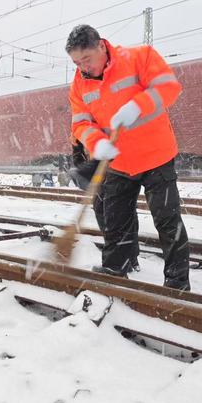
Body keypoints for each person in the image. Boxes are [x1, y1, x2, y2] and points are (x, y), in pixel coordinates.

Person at [66, 24, 190, 290]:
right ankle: (115, 269)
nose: (83, 67)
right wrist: (96, 142)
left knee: (167, 220)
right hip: (119, 162)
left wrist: (138, 105)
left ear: (101, 46)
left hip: (156, 156)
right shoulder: (79, 83)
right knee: (115, 220)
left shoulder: (139, 57)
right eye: (76, 62)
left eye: (86, 59)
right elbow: (80, 122)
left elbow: (169, 87)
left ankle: (177, 282)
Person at [69, 136, 140, 272]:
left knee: (123, 216)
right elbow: (79, 153)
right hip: (100, 175)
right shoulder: (84, 127)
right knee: (105, 215)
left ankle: (130, 259)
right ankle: (122, 258)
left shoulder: (104, 122)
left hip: (119, 171)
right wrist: (78, 152)